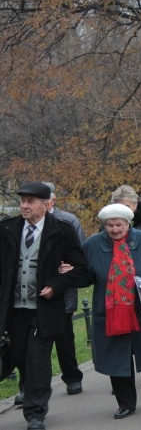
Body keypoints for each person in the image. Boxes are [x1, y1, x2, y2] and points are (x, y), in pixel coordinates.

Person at [0, 182, 88, 430]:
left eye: (30, 201)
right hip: (13, 310)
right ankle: (32, 392)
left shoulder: (62, 231)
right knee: (21, 358)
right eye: (23, 201)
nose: (25, 206)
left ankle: (35, 413)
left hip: (44, 310)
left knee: (37, 359)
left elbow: (81, 270)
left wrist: (57, 284)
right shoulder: (7, 229)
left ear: (46, 204)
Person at [82, 203, 141, 419]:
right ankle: (126, 403)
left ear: (128, 224)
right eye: (109, 225)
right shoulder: (93, 245)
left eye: (119, 225)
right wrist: (67, 271)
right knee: (117, 358)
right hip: (111, 312)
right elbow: (85, 276)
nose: (114, 229)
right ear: (104, 225)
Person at [44, 182, 86, 396]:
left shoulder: (67, 221)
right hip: (36, 291)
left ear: (52, 200)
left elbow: (79, 255)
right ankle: (28, 384)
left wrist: (70, 266)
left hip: (63, 290)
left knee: (64, 337)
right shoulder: (22, 224)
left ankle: (71, 377)